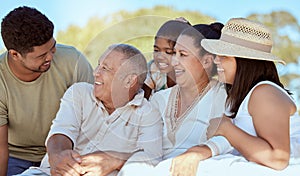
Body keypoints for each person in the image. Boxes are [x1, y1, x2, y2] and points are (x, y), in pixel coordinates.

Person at [18, 43, 162, 176]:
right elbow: (62, 130)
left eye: (105, 68)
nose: (95, 72)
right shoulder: (79, 92)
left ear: (129, 81)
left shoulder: (149, 114)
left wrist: (115, 160)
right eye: (98, 65)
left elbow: (151, 159)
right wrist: (57, 155)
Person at [120, 23, 233, 176]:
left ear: (206, 61)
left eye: (183, 55)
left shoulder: (224, 97)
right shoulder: (159, 100)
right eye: (174, 53)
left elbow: (234, 138)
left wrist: (202, 152)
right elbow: (142, 146)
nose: (173, 62)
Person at [0, 6, 94, 175]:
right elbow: (0, 148)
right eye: (41, 55)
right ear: (15, 54)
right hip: (17, 156)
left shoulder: (73, 60)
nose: (51, 56)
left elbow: (97, 114)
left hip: (68, 150)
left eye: (53, 48)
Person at [202, 18, 300, 170]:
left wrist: (226, 128)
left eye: (223, 56)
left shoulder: (265, 93)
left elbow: (278, 159)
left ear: (244, 61)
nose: (216, 60)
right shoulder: (242, 95)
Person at [142, 19, 191, 99]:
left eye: (168, 52)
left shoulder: (190, 77)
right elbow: (142, 100)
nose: (160, 57)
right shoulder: (153, 69)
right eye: (156, 50)